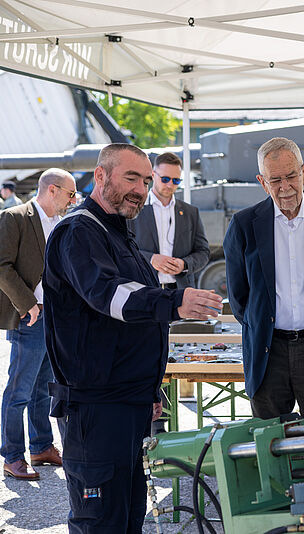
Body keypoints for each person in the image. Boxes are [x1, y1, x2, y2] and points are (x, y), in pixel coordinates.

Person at [43, 143, 223, 533]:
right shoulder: (79, 231)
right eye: (131, 178)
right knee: (101, 522)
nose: (141, 189)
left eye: (145, 180)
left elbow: (130, 326)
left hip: (128, 403)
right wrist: (176, 301)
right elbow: (110, 296)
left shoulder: (117, 232)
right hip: (96, 410)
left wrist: (148, 388)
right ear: (101, 176)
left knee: (127, 518)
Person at [224, 137, 304, 419]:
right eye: (275, 180)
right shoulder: (244, 225)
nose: (285, 187)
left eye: (291, 176)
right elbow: (238, 298)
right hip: (267, 354)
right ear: (262, 182)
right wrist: (262, 326)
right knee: (268, 448)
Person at [0, 169, 76, 480]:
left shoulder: (60, 223)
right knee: (19, 391)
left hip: (54, 316)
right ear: (53, 190)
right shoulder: (14, 217)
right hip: (29, 316)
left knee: (44, 390)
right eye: (70, 194)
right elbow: (2, 266)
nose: (73, 200)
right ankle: (12, 455)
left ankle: (42, 446)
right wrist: (26, 303)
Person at [128, 151, 210, 290]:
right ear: (153, 175)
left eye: (176, 180)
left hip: (180, 292)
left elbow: (203, 252)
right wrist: (151, 259)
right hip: (144, 290)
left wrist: (184, 264)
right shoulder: (132, 209)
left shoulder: (191, 212)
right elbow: (122, 249)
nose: (170, 185)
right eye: (165, 179)